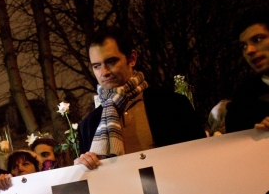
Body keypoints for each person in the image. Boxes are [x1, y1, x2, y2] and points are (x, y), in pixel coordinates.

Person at [75, 26, 206, 170]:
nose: (104, 72)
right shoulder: (88, 125)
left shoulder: (173, 105)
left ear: (131, 59)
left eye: (111, 61)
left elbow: (201, 160)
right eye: (96, 66)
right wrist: (81, 168)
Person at [225, 10, 269, 133]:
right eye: (243, 46)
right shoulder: (243, 99)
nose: (249, 50)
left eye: (258, 39)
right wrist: (255, 134)